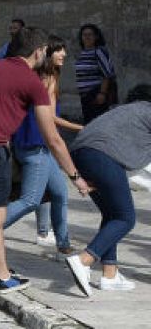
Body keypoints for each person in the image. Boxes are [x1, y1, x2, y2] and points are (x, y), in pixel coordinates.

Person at [0, 25, 90, 315]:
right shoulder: (31, 81)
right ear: (38, 51)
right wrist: (75, 176)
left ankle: (3, 276)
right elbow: (52, 137)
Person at [63, 84, 151, 296]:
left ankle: (109, 275)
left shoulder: (126, 112)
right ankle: (84, 260)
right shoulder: (147, 112)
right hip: (102, 156)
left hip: (80, 154)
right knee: (125, 218)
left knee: (112, 214)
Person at [0, 37, 77, 259]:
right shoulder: (48, 77)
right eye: (59, 50)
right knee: (30, 200)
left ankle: (63, 244)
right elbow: (50, 117)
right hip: (37, 144)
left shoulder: (33, 75)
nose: (64, 54)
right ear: (48, 53)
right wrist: (80, 127)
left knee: (60, 193)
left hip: (28, 142)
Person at [75, 23, 116, 124]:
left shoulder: (98, 51)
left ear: (96, 37)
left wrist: (102, 93)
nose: (87, 37)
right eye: (84, 35)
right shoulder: (83, 53)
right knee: (89, 123)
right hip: (85, 96)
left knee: (98, 124)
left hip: (96, 94)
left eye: (90, 34)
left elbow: (106, 74)